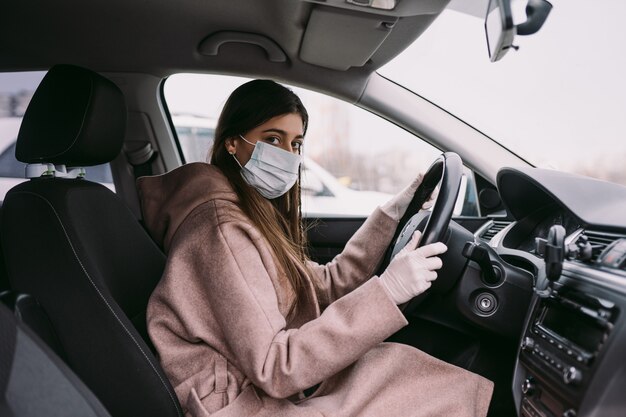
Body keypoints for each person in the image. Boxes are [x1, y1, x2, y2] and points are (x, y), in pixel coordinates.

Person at [138, 79, 493, 417]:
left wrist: (395, 211)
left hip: (255, 382)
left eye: (295, 143)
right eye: (273, 139)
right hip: (238, 403)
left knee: (407, 370)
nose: (288, 155)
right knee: (428, 387)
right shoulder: (221, 233)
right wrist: (389, 290)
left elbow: (322, 285)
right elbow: (276, 367)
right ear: (233, 142)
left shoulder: (245, 212)